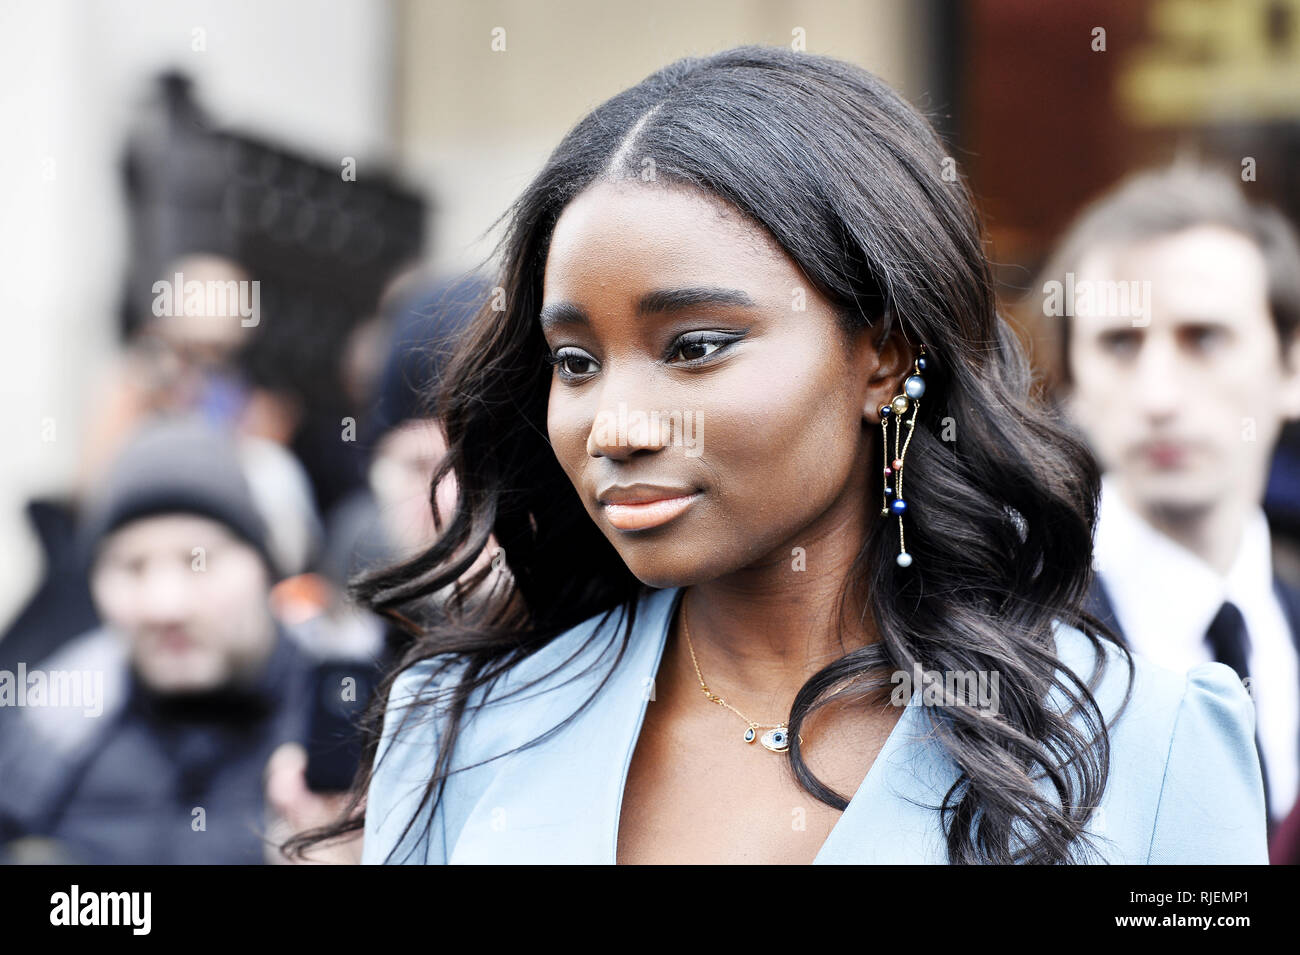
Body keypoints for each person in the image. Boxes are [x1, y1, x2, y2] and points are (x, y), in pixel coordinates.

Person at [284, 46, 1268, 865]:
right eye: (575, 360)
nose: (616, 425)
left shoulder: (1151, 745)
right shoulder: (462, 725)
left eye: (694, 348)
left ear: (883, 355)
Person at [1035, 164, 1300, 842]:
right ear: (1071, 387)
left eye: (1204, 337)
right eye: (1120, 343)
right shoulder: (1010, 648)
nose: (1159, 396)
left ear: (1291, 367)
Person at [0, 416, 318, 864]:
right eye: (132, 567)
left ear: (266, 567)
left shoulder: (353, 731)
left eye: (197, 561)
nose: (165, 606)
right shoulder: (48, 736)